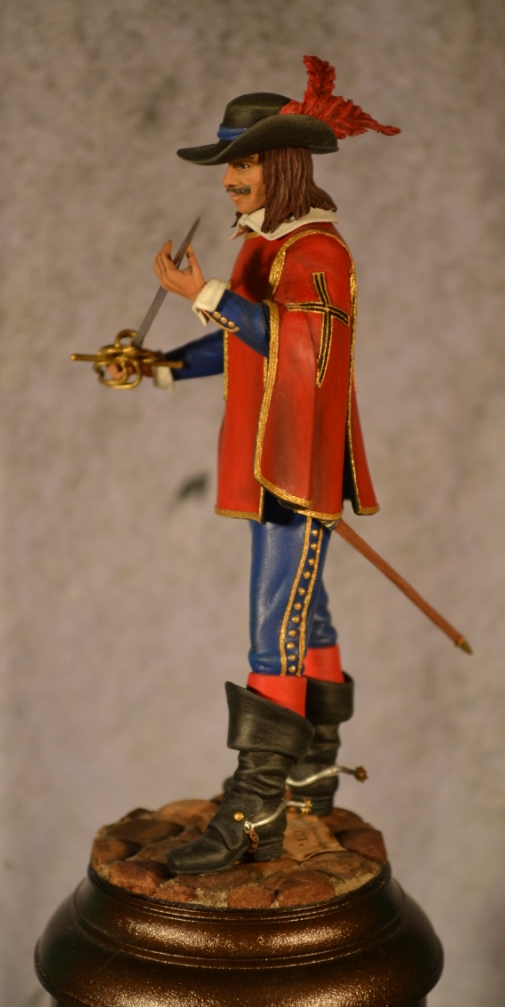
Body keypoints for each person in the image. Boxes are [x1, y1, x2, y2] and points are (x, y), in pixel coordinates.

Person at [153, 57, 399, 874]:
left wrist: (208, 295)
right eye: (229, 162)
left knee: (274, 626)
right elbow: (241, 345)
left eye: (246, 162)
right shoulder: (265, 251)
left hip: (299, 469)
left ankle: (257, 803)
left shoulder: (317, 253)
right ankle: (316, 770)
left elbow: (299, 350)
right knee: (306, 614)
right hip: (272, 465)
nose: (230, 179)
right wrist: (163, 363)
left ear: (284, 166)